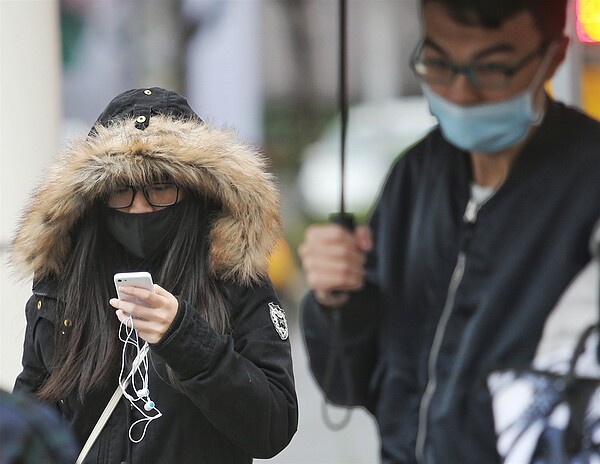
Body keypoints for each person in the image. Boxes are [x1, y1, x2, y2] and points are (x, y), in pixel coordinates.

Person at [298, 0, 600, 462]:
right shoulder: (414, 177)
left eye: (493, 68)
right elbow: (350, 382)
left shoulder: (589, 182)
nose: (460, 91)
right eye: (438, 64)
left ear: (553, 55)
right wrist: (336, 300)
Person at [11, 87, 297, 463]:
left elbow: (273, 426)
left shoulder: (232, 274)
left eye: (161, 188)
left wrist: (187, 339)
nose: (141, 208)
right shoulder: (63, 280)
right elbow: (32, 414)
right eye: (122, 191)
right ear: (97, 197)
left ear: (193, 190)